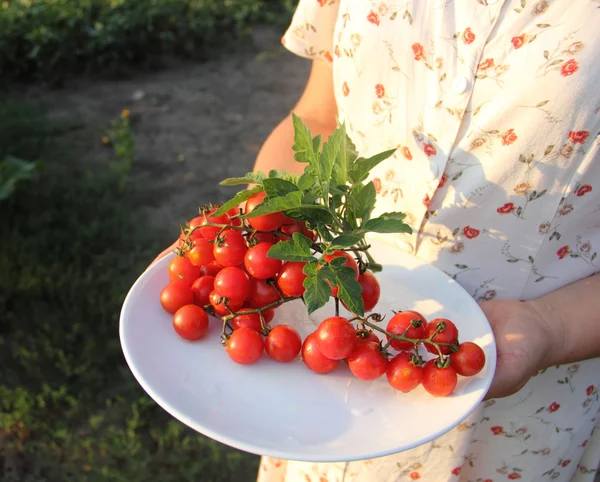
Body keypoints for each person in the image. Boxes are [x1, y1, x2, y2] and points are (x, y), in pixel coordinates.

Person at [151, 1, 600, 479]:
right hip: (314, 335)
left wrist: (551, 327)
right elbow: (321, 120)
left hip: (513, 411)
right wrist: (242, 234)